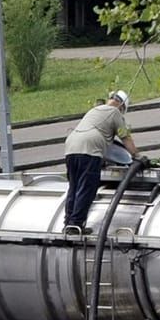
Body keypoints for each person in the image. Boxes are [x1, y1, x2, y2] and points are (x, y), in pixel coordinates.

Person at [61, 90, 142, 232]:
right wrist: (137, 155)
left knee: (74, 187)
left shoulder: (95, 110)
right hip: (89, 149)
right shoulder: (114, 113)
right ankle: (76, 225)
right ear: (122, 106)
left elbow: (103, 139)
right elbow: (125, 137)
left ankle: (68, 224)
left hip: (71, 147)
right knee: (87, 187)